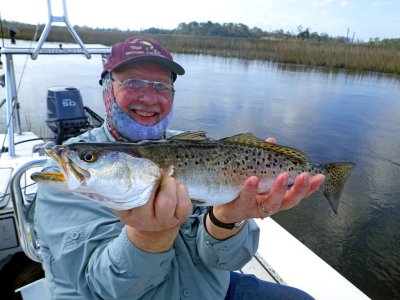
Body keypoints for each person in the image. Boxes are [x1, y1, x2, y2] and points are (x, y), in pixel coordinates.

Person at [34, 36, 325, 299]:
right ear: (107, 90)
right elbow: (103, 290)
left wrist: (226, 218)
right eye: (133, 83)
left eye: (161, 86)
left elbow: (226, 260)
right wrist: (149, 236)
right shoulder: (66, 182)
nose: (149, 98)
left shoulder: (193, 148)